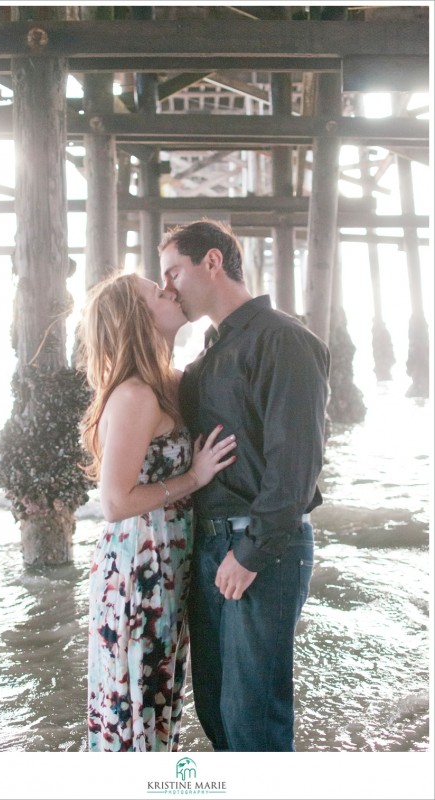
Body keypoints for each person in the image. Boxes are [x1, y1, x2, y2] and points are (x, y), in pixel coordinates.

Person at [159, 219, 330, 752]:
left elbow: (295, 464)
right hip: (209, 544)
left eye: (173, 273)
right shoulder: (208, 352)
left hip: (259, 548)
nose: (168, 288)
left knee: (253, 712)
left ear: (212, 262)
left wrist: (251, 551)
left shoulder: (284, 339)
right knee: (214, 706)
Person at [76, 271, 237, 753]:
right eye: (156, 293)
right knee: (138, 706)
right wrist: (194, 477)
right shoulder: (134, 395)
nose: (170, 291)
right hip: (137, 576)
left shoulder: (175, 381)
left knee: (161, 703)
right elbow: (115, 502)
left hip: (169, 567)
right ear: (137, 319)